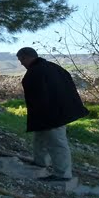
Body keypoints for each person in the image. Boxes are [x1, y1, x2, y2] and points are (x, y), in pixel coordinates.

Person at [16, 47, 88, 182]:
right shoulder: (53, 67)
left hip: (51, 115)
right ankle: (40, 162)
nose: (21, 63)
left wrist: (44, 116)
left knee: (57, 143)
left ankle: (63, 174)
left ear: (26, 57)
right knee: (40, 138)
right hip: (56, 112)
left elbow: (38, 98)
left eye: (21, 60)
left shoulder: (35, 72)